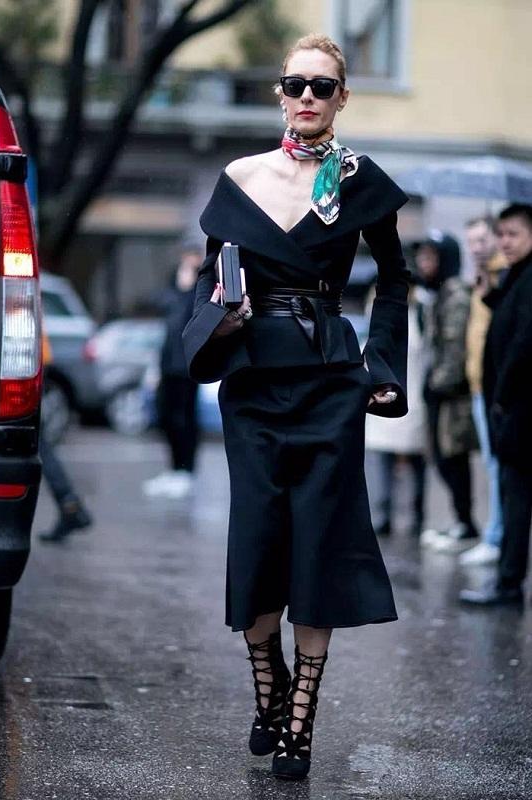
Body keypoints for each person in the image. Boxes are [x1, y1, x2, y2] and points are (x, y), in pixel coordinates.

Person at [182, 34, 409, 780]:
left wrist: (382, 367)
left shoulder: (359, 181)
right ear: (279, 93)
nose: (307, 96)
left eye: (323, 85)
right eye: (295, 84)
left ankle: (299, 719)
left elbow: (395, 281)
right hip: (253, 383)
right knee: (256, 541)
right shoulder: (240, 178)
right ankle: (267, 685)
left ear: (343, 98)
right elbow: (208, 279)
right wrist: (217, 323)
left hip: (328, 379)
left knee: (318, 543)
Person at [460, 204, 532, 606]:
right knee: (511, 493)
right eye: (501, 234)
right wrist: (489, 290)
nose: (505, 241)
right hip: (510, 405)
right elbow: (507, 315)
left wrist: (502, 397)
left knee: (515, 495)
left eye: (513, 234)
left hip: (519, 408)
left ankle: (508, 584)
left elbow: (523, 342)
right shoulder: (517, 274)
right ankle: (508, 580)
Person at [416, 233, 479, 552]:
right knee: (444, 458)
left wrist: (437, 384)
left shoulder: (455, 295)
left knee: (452, 458)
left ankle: (465, 523)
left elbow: (454, 349)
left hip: (453, 396)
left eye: (430, 258)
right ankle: (462, 521)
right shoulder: (436, 293)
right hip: (441, 391)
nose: (423, 264)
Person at [459, 217, 507, 566]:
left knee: (497, 465)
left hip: (496, 388)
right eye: (471, 241)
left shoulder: (504, 274)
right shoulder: (482, 277)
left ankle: (496, 537)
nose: (476, 247)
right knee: (492, 464)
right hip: (479, 386)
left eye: (481, 239)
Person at [365, 282, 427, 537]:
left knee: (415, 459)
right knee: (381, 459)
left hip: (414, 395)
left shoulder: (421, 311)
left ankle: (418, 515)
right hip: (384, 395)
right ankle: (383, 515)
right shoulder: (373, 311)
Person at [142, 245, 203, 500]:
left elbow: (195, 314)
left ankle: (186, 471)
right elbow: (161, 305)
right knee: (166, 417)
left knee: (185, 419)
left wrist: (188, 288)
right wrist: (179, 287)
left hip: (188, 365)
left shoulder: (200, 287)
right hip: (168, 364)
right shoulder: (173, 288)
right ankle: (174, 469)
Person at [38, 333, 92, 543]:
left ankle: (70, 505)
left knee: (34, 441)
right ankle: (70, 505)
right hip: (28, 354)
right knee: (35, 441)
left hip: (21, 355)